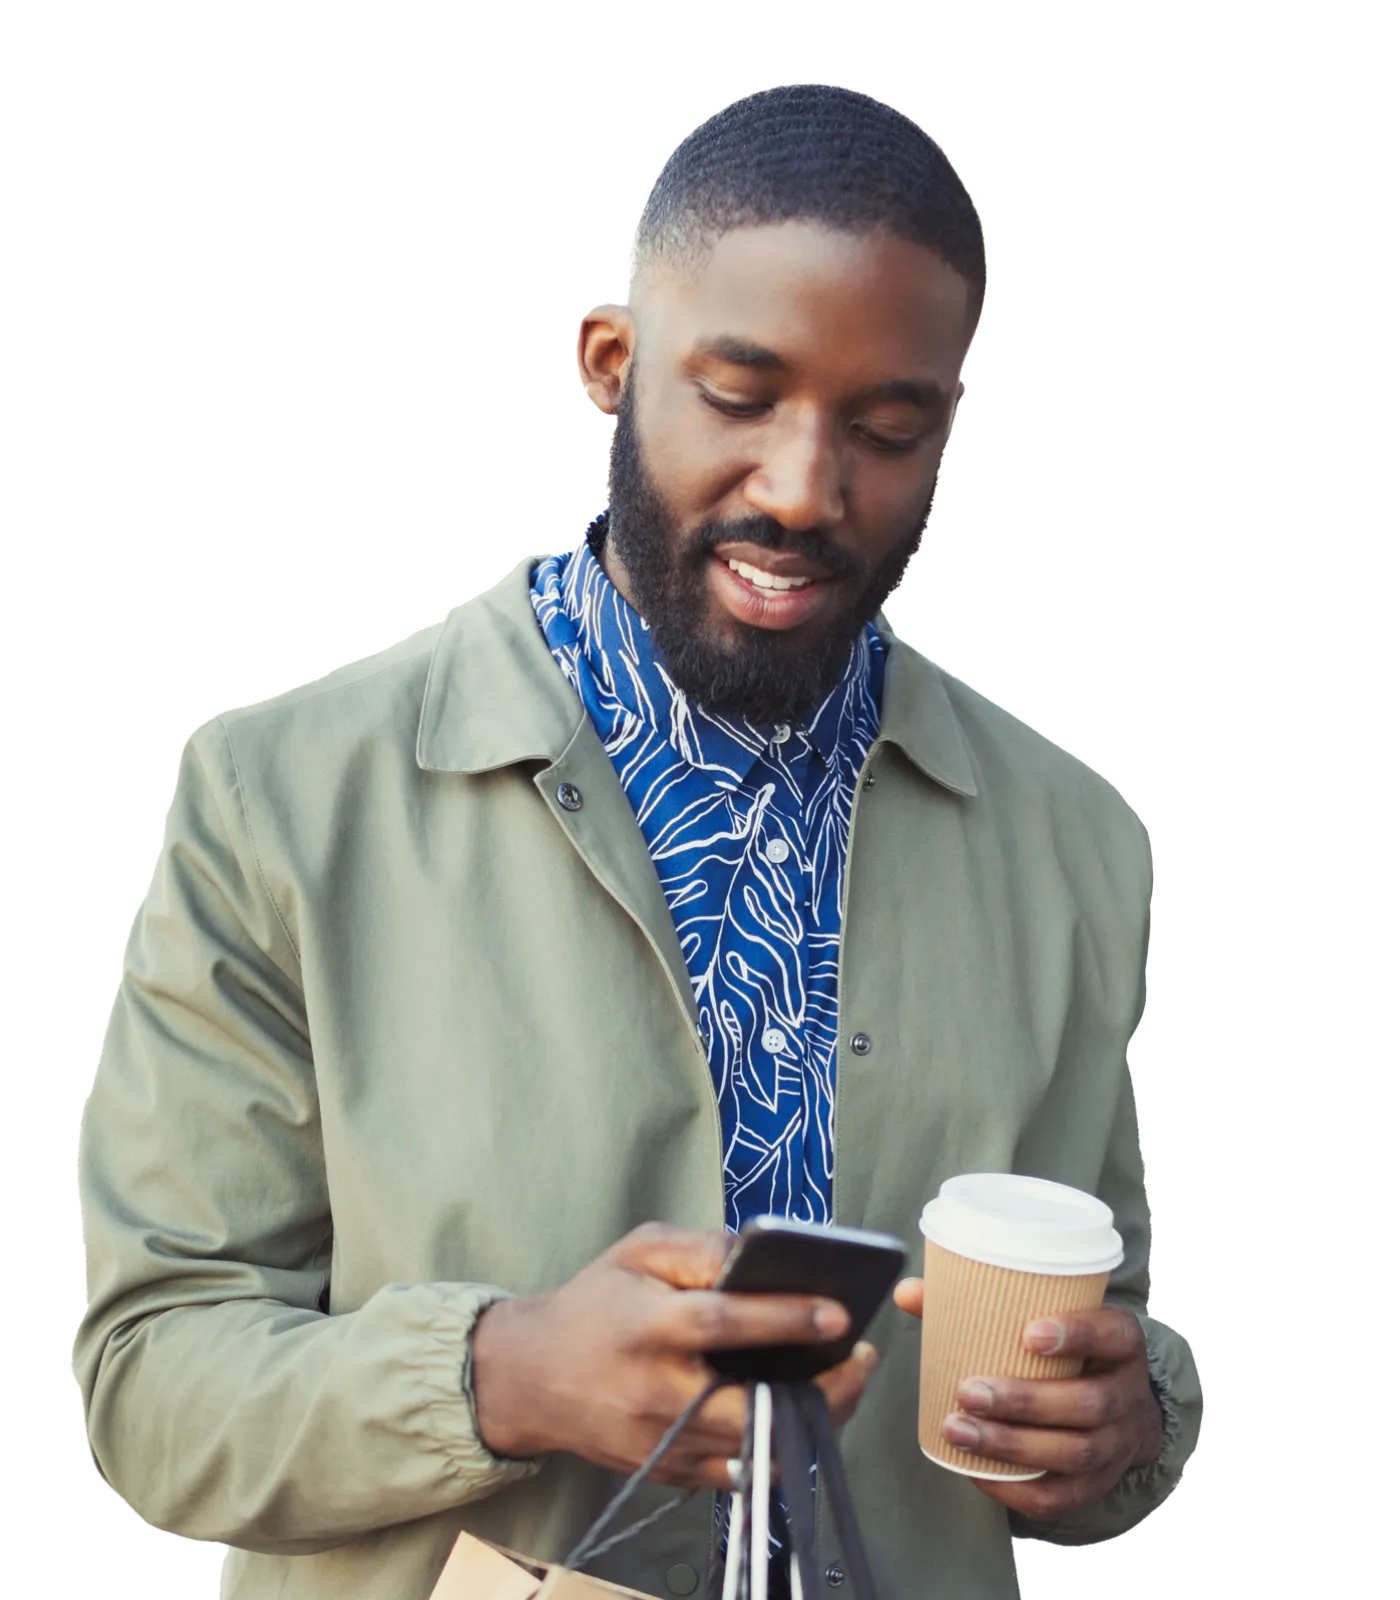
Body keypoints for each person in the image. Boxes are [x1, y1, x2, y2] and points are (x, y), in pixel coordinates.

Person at [74, 82, 1200, 1599]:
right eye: (740, 395)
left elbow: (1104, 1309)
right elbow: (150, 1389)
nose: (806, 489)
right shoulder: (278, 797)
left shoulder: (1078, 841)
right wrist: (504, 1374)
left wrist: (1124, 1424)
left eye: (888, 427)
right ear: (613, 364)